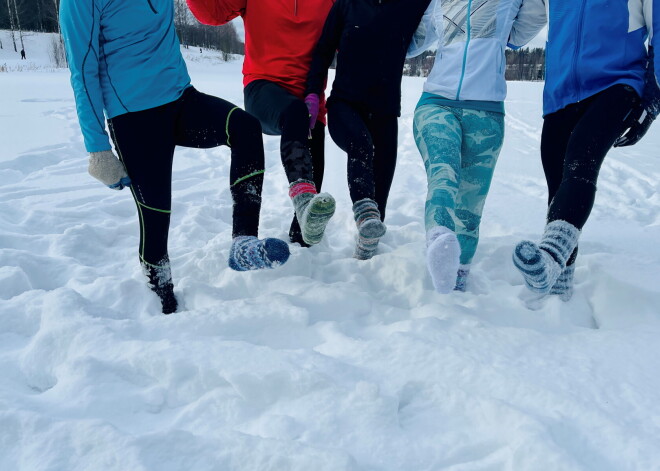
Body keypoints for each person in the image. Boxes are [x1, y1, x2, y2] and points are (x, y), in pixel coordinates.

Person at [60, 0, 290, 314]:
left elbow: (209, 11)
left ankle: (243, 244)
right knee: (156, 217)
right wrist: (97, 149)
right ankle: (161, 299)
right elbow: (82, 70)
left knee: (244, 127)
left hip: (181, 98)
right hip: (133, 117)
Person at [512, 0, 660, 301]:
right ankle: (557, 289)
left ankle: (551, 256)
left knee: (582, 160)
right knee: (558, 183)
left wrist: (652, 102)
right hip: (560, 94)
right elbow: (514, 32)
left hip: (617, 84)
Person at [409, 0, 546, 292]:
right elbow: (412, 42)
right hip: (437, 102)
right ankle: (439, 239)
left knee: (471, 205)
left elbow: (523, 32)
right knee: (443, 173)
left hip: (486, 112)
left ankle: (458, 274)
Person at [186, 0, 337, 247]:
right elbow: (210, 14)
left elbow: (353, 34)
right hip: (263, 88)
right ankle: (301, 196)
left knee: (309, 219)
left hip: (310, 101)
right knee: (294, 112)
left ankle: (303, 245)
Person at [305, 0, 431, 259]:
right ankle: (363, 215)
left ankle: (367, 244)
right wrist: (312, 94)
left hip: (385, 114)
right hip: (344, 106)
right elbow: (323, 51)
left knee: (380, 198)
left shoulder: (409, 5)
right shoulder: (347, 5)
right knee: (361, 145)